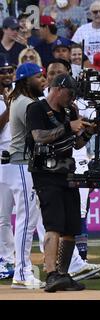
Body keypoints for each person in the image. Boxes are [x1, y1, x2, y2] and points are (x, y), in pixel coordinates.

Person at [26, 74, 96, 292]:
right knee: (54, 223)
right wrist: (69, 127)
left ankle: (63, 274)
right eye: (70, 92)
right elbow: (39, 136)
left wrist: (88, 134)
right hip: (45, 172)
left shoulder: (71, 110)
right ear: (57, 89)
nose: (72, 97)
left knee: (71, 226)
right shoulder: (36, 109)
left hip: (67, 171)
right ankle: (50, 274)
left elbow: (76, 145)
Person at [6, 63, 45, 289]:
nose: (42, 80)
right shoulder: (26, 103)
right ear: (26, 80)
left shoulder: (20, 100)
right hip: (22, 164)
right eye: (38, 77)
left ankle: (22, 270)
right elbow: (38, 137)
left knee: (25, 221)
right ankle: (21, 272)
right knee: (26, 221)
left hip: (17, 164)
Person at [0, 54, 15, 280]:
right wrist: (9, 105)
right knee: (3, 214)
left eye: (10, 70)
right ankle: (6, 258)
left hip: (21, 156)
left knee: (33, 213)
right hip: (2, 158)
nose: (7, 74)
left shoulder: (17, 92)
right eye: (3, 71)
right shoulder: (9, 98)